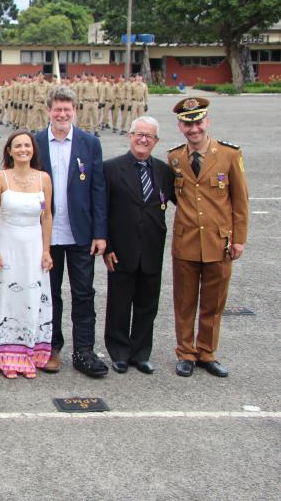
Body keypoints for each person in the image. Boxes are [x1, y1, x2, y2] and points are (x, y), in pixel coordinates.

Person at [167, 98, 249, 378]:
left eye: (198, 122)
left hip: (219, 242)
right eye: (188, 123)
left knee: (214, 303)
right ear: (180, 126)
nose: (194, 129)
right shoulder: (174, 158)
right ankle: (186, 353)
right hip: (186, 241)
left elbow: (240, 201)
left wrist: (239, 239)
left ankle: (207, 352)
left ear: (207, 122)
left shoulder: (228, 155)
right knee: (185, 302)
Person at [35, 85, 109, 378]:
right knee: (50, 294)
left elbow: (98, 189)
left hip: (81, 233)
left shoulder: (89, 143)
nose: (62, 114)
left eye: (67, 109)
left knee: (83, 293)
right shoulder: (37, 142)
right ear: (49, 111)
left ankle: (84, 351)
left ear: (74, 111)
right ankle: (52, 348)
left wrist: (100, 233)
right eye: (57, 109)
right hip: (47, 235)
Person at [0, 131, 54, 378]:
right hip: (7, 244)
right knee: (6, 296)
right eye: (17, 146)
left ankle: (29, 354)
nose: (23, 150)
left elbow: (47, 215)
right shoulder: (1, 178)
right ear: (9, 150)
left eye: (27, 146)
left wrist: (46, 249)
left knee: (31, 296)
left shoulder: (43, 179)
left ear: (33, 150)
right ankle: (4, 355)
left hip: (33, 245)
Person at [103, 117, 175, 374]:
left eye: (149, 136)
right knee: (119, 304)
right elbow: (103, 210)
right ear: (129, 135)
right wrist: (107, 246)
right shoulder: (111, 168)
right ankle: (120, 352)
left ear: (156, 141)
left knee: (147, 305)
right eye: (139, 134)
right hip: (121, 250)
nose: (143, 140)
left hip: (152, 248)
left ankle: (141, 352)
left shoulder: (164, 171)